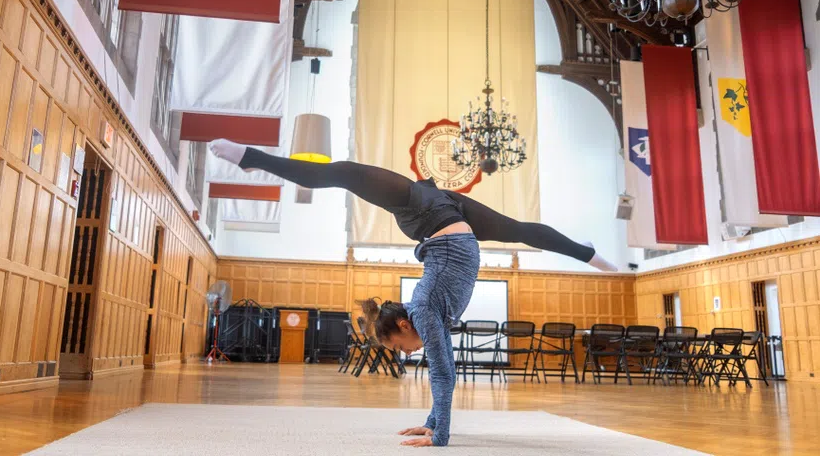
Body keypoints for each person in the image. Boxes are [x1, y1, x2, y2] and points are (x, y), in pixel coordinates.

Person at [210, 139, 616, 448]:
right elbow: (444, 366)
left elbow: (441, 370)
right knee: (522, 231)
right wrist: (433, 422)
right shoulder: (425, 311)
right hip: (453, 223)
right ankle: (589, 253)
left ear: (403, 323)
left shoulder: (421, 309)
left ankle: (249, 157)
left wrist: (439, 437)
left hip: (423, 211)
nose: (406, 353)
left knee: (344, 173)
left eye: (399, 346)